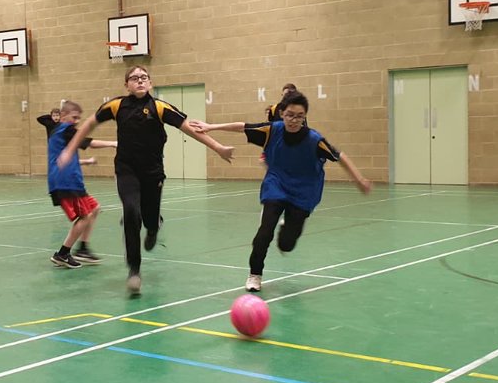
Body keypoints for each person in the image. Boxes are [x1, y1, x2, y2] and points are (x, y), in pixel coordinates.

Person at [58, 64, 234, 297]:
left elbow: (189, 128)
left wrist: (218, 148)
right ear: (127, 84)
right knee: (131, 212)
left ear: (150, 83)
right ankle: (134, 270)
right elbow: (89, 123)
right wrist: (70, 150)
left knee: (149, 219)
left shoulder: (159, 107)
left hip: (153, 174)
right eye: (134, 78)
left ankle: (153, 228)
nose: (139, 81)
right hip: (126, 170)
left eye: (144, 77)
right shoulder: (117, 105)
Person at [192, 91, 371, 292]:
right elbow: (243, 127)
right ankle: (254, 274)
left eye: (299, 116)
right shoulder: (272, 131)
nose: (294, 120)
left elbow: (340, 156)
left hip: (304, 192)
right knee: (265, 231)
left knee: (286, 245)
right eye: (290, 115)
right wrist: (211, 127)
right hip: (276, 186)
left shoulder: (314, 140)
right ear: (282, 114)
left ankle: (289, 225)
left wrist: (359, 180)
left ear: (305, 117)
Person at [46, 101, 117, 268]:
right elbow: (89, 142)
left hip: (72, 180)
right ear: (63, 116)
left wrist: (86, 162)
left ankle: (83, 249)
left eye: (79, 118)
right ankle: (63, 253)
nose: (77, 121)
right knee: (83, 217)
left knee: (94, 208)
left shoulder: (59, 133)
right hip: (66, 182)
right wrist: (113, 143)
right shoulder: (65, 130)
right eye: (74, 117)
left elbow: (65, 157)